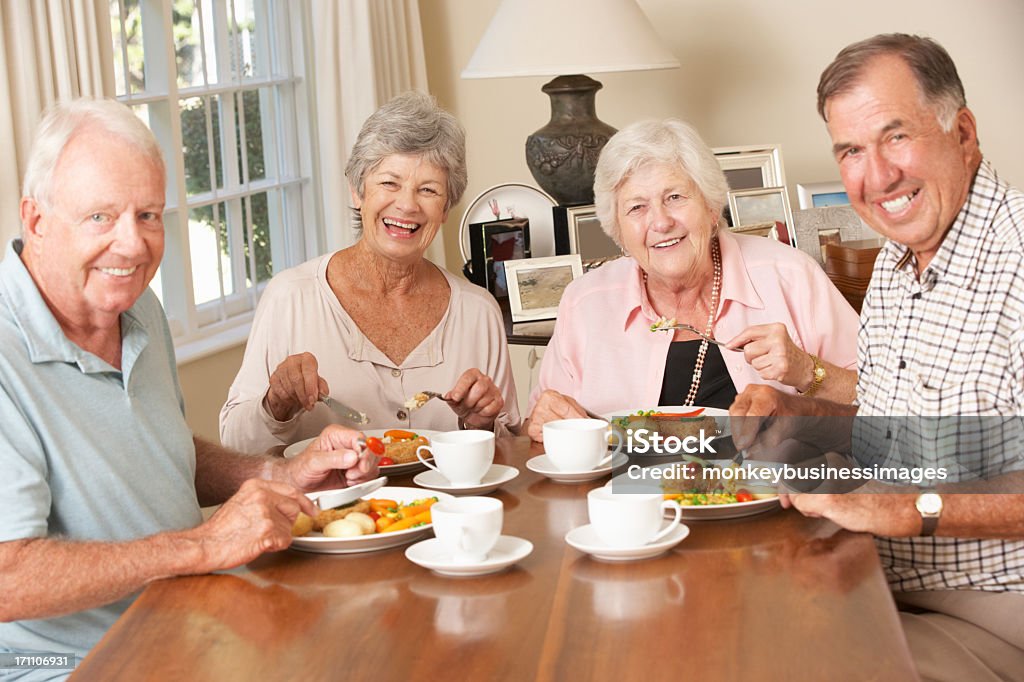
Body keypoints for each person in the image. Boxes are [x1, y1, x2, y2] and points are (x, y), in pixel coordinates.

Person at [0, 98, 377, 673]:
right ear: (36, 220)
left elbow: (158, 449)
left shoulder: (136, 303)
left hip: (192, 624)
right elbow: (8, 578)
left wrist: (276, 474)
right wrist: (202, 545)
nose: (131, 245)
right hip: (74, 665)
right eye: (100, 217)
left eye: (148, 215)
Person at [731, 34, 1024, 680]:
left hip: (995, 602)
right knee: (723, 626)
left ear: (964, 133)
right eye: (851, 152)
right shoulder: (895, 262)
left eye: (896, 137)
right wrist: (800, 411)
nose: (877, 176)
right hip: (886, 572)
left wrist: (909, 508)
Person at [220, 91, 519, 454]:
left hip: (449, 511)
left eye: (428, 190)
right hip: (329, 510)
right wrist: (276, 404)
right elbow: (236, 444)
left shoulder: (478, 311)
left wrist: (482, 424)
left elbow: (509, 453)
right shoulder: (291, 297)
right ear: (357, 190)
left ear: (445, 209)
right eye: (389, 183)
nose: (407, 205)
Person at [524, 118, 859, 441]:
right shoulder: (585, 302)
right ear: (619, 232)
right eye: (637, 208)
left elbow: (888, 405)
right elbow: (543, 423)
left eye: (675, 197)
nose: (661, 222)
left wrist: (805, 370)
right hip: (625, 493)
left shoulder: (790, 276)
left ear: (711, 208)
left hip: (774, 490)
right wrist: (544, 419)